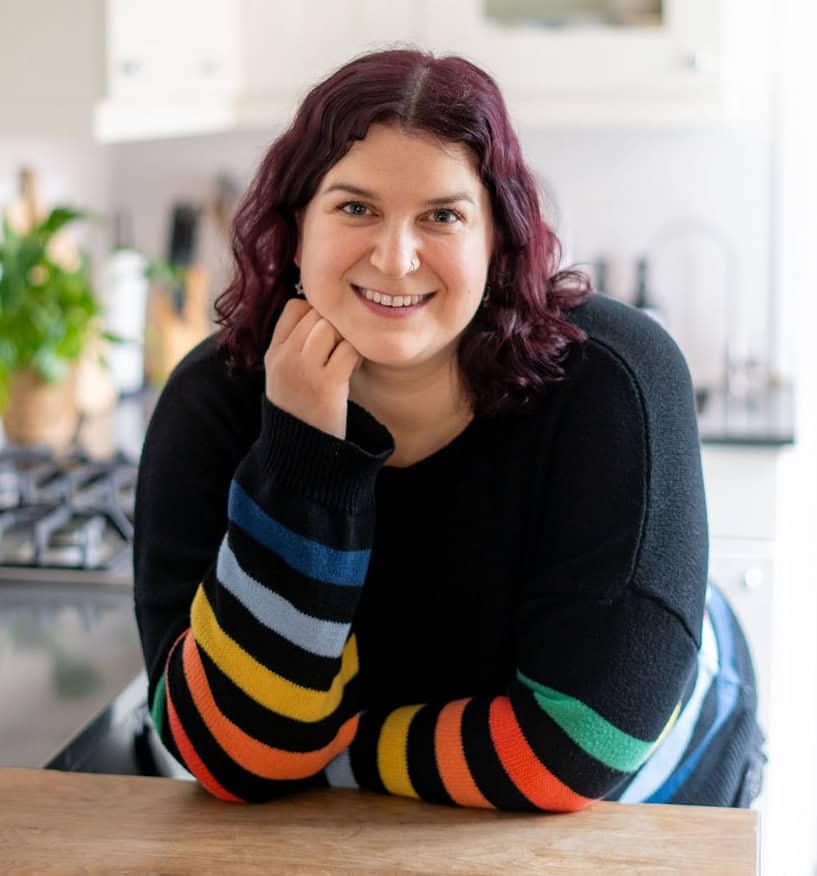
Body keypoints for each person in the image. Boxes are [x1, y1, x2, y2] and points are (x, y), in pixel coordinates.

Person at [134, 49, 764, 809]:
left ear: (496, 239)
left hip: (653, 792)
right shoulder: (216, 399)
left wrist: (329, 761)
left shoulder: (615, 378)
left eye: (442, 215)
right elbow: (233, 759)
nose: (395, 259)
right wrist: (302, 457)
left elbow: (578, 748)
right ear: (296, 226)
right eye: (354, 207)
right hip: (376, 822)